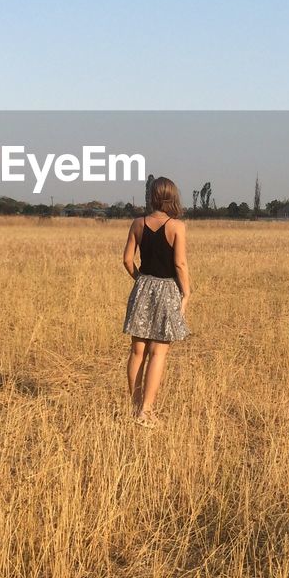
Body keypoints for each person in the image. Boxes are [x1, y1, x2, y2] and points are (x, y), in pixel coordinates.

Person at [121, 176, 191, 427]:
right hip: (168, 290)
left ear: (151, 196)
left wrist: (140, 279)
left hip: (142, 287)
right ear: (172, 197)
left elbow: (128, 260)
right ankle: (146, 412)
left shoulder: (137, 223)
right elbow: (180, 264)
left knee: (137, 351)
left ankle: (135, 407)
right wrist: (187, 293)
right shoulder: (177, 227)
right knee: (158, 352)